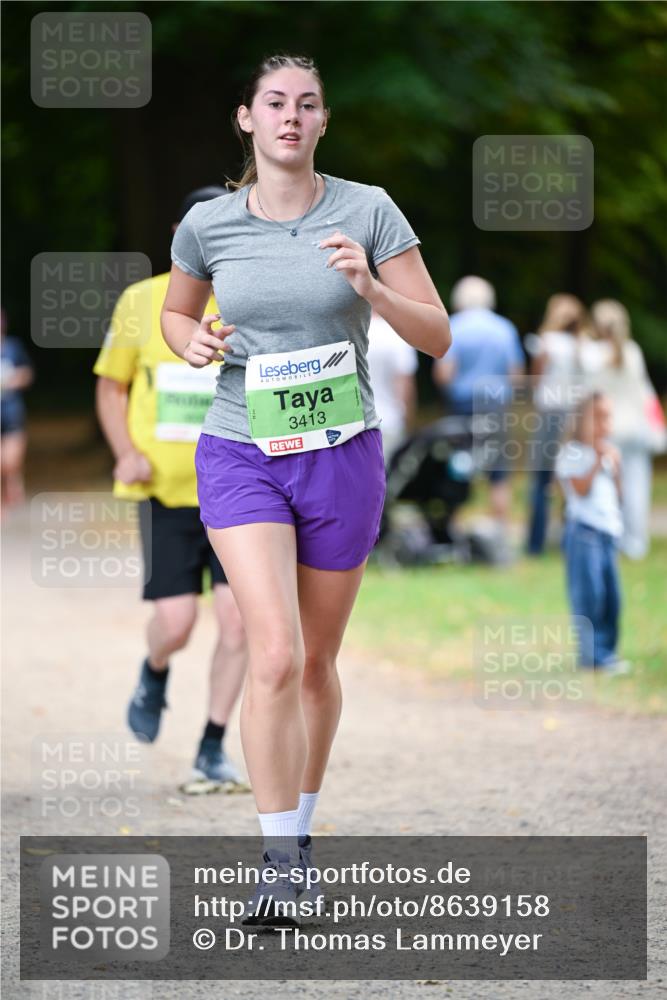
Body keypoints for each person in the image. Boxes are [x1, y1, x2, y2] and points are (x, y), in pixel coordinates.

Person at [161, 53, 450, 926]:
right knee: (273, 651)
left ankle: (303, 835)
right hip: (240, 448)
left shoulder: (368, 211)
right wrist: (190, 344)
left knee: (317, 664)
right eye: (274, 103)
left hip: (341, 453)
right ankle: (278, 861)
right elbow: (176, 313)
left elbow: (435, 336)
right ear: (246, 119)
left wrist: (369, 286)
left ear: (324, 122)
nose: (291, 116)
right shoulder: (208, 225)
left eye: (307, 104)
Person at [94, 187, 248, 792]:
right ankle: (155, 668)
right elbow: (111, 387)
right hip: (165, 491)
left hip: (240, 490)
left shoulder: (250, 298)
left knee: (239, 625)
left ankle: (212, 745)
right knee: (178, 623)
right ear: (181, 234)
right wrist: (126, 452)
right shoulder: (142, 302)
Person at [432, 276, 524, 530]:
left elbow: (444, 373)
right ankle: (499, 532)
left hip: (462, 407)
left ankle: (454, 528)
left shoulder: (455, 327)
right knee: (499, 471)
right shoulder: (504, 328)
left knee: (457, 466)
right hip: (495, 406)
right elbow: (516, 375)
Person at [555, 391, 630, 674]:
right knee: (590, 595)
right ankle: (591, 656)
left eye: (607, 418)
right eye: (597, 418)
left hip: (608, 531)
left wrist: (617, 467)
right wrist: (598, 461)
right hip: (584, 532)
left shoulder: (610, 452)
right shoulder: (573, 452)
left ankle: (608, 653)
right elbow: (580, 489)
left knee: (612, 595)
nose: (604, 424)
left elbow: (618, 496)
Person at [590, 299, 664, 560]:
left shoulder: (592, 354)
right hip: (636, 429)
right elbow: (645, 393)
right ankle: (636, 542)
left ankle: (613, 537)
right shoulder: (632, 351)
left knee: (608, 487)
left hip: (608, 429)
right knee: (636, 486)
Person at [525, 294, 598, 555]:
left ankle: (535, 543)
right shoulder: (588, 346)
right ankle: (572, 539)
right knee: (572, 475)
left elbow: (536, 380)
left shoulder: (548, 343)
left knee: (541, 478)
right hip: (578, 415)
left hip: (551, 413)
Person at [366, 308, 418, 463]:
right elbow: (404, 383)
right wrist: (408, 421)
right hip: (390, 419)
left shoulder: (351, 331)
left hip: (356, 423)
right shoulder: (396, 334)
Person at [1, 308, 34, 510]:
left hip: (11, 409)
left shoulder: (13, 347)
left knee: (11, 459)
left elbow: (28, 373)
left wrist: (14, 380)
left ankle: (13, 482)